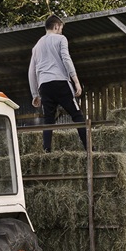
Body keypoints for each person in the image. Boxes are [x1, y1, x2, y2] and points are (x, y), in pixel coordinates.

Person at [28, 15, 86, 152]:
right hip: (60, 81)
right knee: (77, 115)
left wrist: (35, 94)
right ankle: (89, 147)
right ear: (56, 26)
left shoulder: (37, 46)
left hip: (44, 86)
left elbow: (31, 71)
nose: (61, 31)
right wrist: (76, 82)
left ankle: (46, 149)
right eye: (61, 28)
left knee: (48, 119)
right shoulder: (61, 39)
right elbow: (66, 59)